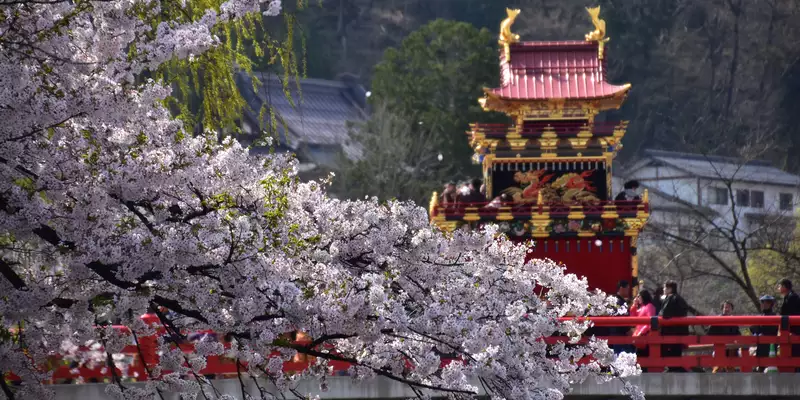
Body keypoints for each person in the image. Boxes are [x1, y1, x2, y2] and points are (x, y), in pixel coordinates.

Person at [659, 280, 690, 372]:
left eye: (665, 288)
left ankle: (677, 372)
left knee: (667, 355)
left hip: (670, 332)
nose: (663, 289)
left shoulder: (671, 298)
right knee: (676, 355)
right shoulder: (680, 299)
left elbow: (664, 314)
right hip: (680, 332)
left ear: (670, 289)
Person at [707, 300, 740, 373]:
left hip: (731, 348)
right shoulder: (717, 319)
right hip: (719, 347)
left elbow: (738, 334)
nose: (727, 309)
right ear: (722, 309)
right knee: (718, 367)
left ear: (731, 309)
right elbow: (710, 333)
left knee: (731, 364)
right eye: (725, 307)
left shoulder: (734, 320)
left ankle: (730, 373)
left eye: (729, 307)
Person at [750, 295, 779, 372]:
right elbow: (752, 327)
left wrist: (761, 331)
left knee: (770, 366)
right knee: (760, 365)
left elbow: (772, 329)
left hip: (770, 345)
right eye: (762, 303)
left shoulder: (774, 316)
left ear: (770, 304)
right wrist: (757, 332)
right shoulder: (761, 316)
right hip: (761, 345)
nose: (764, 304)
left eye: (766, 303)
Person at [630, 290, 656, 372]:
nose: (637, 298)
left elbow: (650, 321)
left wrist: (642, 331)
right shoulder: (642, 307)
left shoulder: (649, 306)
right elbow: (633, 318)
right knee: (639, 357)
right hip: (639, 336)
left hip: (644, 335)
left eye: (639, 296)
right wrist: (634, 305)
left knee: (642, 357)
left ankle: (643, 372)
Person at [777, 278, 800, 370]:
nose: (778, 288)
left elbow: (792, 315)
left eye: (780, 286)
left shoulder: (792, 298)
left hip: (795, 331)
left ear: (784, 287)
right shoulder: (789, 297)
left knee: (795, 353)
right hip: (791, 331)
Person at [608, 280, 634, 354]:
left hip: (614, 334)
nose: (628, 291)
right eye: (627, 289)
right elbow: (622, 320)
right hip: (621, 334)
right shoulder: (620, 303)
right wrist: (629, 331)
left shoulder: (614, 301)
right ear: (622, 288)